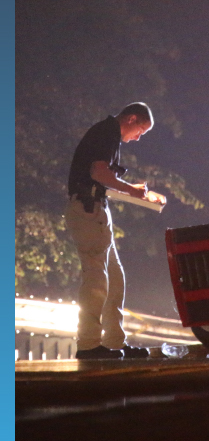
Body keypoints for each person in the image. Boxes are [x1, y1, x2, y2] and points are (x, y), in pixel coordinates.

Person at [65, 102, 155, 359]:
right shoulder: (106, 133)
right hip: (88, 210)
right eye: (140, 130)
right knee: (96, 279)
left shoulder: (108, 135)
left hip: (96, 210)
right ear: (131, 118)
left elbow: (100, 176)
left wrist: (130, 189)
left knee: (115, 279)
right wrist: (132, 190)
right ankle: (89, 344)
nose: (137, 138)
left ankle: (114, 342)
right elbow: (98, 172)